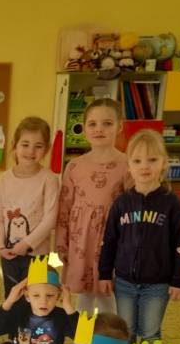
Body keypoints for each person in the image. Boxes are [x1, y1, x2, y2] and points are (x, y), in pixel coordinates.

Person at [98, 129, 180, 344]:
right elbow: (109, 241)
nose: (144, 166)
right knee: (126, 330)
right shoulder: (122, 203)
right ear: (129, 166)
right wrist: (104, 274)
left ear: (164, 163)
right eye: (137, 161)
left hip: (157, 284)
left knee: (150, 332)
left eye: (152, 160)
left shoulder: (172, 204)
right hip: (124, 282)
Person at [0, 116, 59, 344]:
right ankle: (15, 339)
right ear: (14, 146)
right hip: (8, 252)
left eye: (38, 146)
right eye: (25, 144)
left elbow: (50, 219)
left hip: (36, 255)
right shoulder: (5, 178)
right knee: (12, 295)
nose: (31, 151)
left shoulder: (49, 179)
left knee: (37, 297)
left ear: (46, 149)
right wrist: (0, 245)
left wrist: (27, 244)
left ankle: (37, 340)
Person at [56, 98, 130, 316]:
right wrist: (61, 243)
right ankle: (83, 334)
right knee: (85, 292)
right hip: (81, 239)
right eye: (92, 124)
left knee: (108, 292)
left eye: (107, 123)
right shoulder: (75, 166)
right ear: (84, 128)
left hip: (112, 239)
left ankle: (110, 335)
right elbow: (64, 208)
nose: (99, 129)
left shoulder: (128, 165)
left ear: (119, 127)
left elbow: (133, 208)